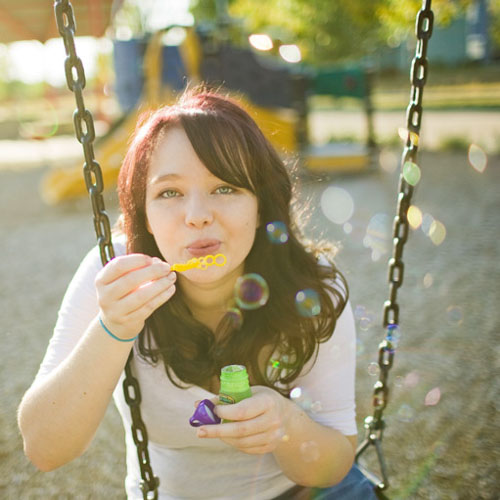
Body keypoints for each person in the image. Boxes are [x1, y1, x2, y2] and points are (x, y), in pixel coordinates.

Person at [18, 88, 375, 499]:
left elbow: (333, 465)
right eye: (169, 193)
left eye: (225, 188)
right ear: (144, 215)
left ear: (261, 206)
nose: (198, 216)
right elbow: (44, 450)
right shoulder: (116, 274)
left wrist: (287, 425)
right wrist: (113, 327)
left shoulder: (309, 286)